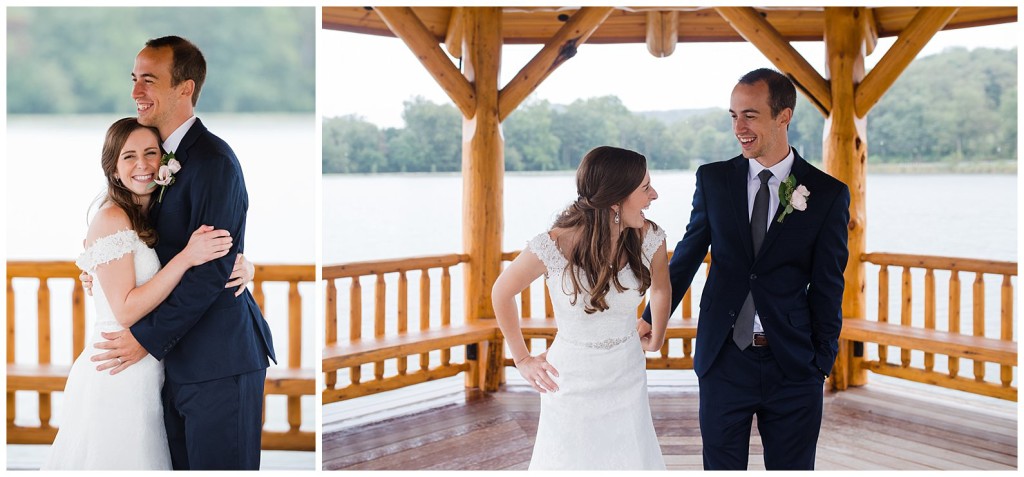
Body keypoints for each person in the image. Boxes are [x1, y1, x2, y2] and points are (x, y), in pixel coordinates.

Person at [640, 68, 849, 470]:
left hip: (793, 364)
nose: (739, 127)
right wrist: (650, 317)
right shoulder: (714, 179)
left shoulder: (827, 194)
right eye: (733, 116)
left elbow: (828, 285)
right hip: (723, 361)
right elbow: (686, 255)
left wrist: (821, 362)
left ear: (783, 116)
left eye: (750, 115)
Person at [88, 36, 276, 470]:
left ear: (185, 88)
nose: (136, 92)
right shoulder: (155, 160)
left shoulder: (212, 161)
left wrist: (144, 340)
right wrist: (98, 268)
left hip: (218, 361)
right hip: (172, 366)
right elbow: (137, 238)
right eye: (134, 79)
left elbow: (212, 271)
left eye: (149, 80)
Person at [43, 118, 237, 470]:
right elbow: (126, 311)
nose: (143, 165)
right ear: (114, 169)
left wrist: (243, 265)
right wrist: (186, 258)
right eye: (129, 156)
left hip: (149, 371)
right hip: (117, 369)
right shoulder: (112, 218)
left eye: (151, 153)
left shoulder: (150, 219)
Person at [492, 146, 670, 470]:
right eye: (645, 188)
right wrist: (521, 358)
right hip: (570, 379)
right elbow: (502, 292)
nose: (654, 195)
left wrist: (657, 336)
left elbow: (661, 288)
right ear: (615, 200)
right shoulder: (553, 244)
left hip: (627, 372)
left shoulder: (650, 237)